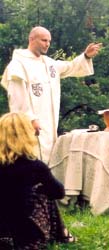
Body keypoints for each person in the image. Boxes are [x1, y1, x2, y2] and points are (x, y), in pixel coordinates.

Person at [1, 26, 102, 164]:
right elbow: (17, 97)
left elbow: (70, 67)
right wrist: (30, 119)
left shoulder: (49, 64)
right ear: (31, 39)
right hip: (29, 125)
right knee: (30, 159)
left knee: (48, 163)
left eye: (49, 41)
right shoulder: (18, 64)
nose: (47, 44)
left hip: (49, 126)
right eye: (43, 40)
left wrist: (86, 56)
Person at [0, 112, 74, 249]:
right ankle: (62, 234)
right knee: (44, 192)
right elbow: (59, 192)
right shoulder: (34, 166)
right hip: (25, 237)